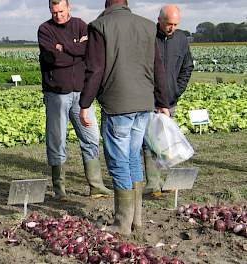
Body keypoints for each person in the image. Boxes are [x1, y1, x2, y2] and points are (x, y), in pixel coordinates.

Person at [79, 0, 169, 235]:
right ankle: (136, 220)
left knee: (119, 161)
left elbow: (95, 69)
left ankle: (121, 223)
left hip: (118, 105)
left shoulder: (100, 26)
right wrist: (162, 102)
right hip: (144, 104)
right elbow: (158, 66)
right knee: (132, 157)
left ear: (107, 3)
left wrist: (84, 103)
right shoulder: (149, 26)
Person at [38, 0, 113, 200]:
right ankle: (59, 188)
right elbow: (53, 58)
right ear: (50, 10)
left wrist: (64, 48)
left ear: (68, 7)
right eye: (54, 12)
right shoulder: (45, 30)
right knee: (57, 139)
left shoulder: (82, 25)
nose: (58, 15)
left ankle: (96, 185)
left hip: (81, 94)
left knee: (90, 137)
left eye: (61, 11)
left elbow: (87, 52)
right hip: (56, 94)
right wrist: (74, 50)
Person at [144, 4, 194, 196]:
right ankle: (153, 183)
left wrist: (177, 90)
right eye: (168, 23)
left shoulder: (181, 39)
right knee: (150, 142)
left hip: (171, 99)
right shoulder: (149, 37)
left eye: (175, 24)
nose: (172, 27)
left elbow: (187, 67)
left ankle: (167, 180)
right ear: (159, 20)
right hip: (149, 100)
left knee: (168, 141)